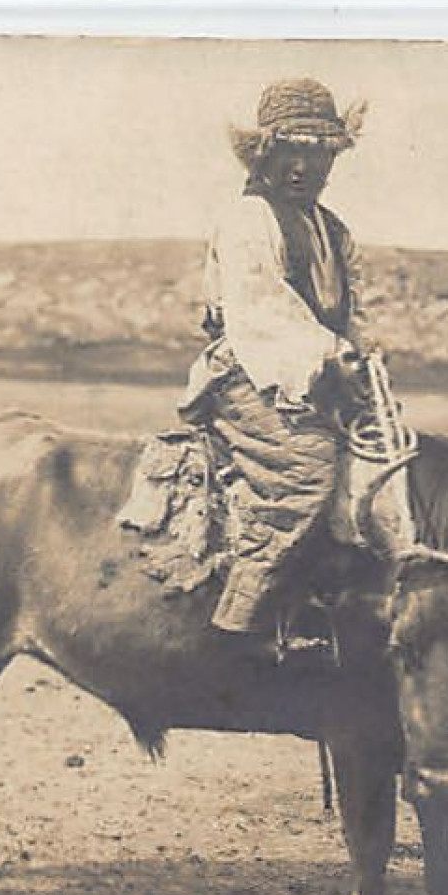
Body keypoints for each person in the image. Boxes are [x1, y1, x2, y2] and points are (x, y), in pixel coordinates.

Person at [180, 78, 373, 637]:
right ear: (264, 153)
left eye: (318, 153)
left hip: (321, 377)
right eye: (290, 151)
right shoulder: (247, 221)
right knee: (308, 467)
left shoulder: (334, 232)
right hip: (250, 375)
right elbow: (261, 313)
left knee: (387, 462)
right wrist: (331, 355)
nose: (303, 167)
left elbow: (351, 314)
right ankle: (240, 622)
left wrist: (360, 363)